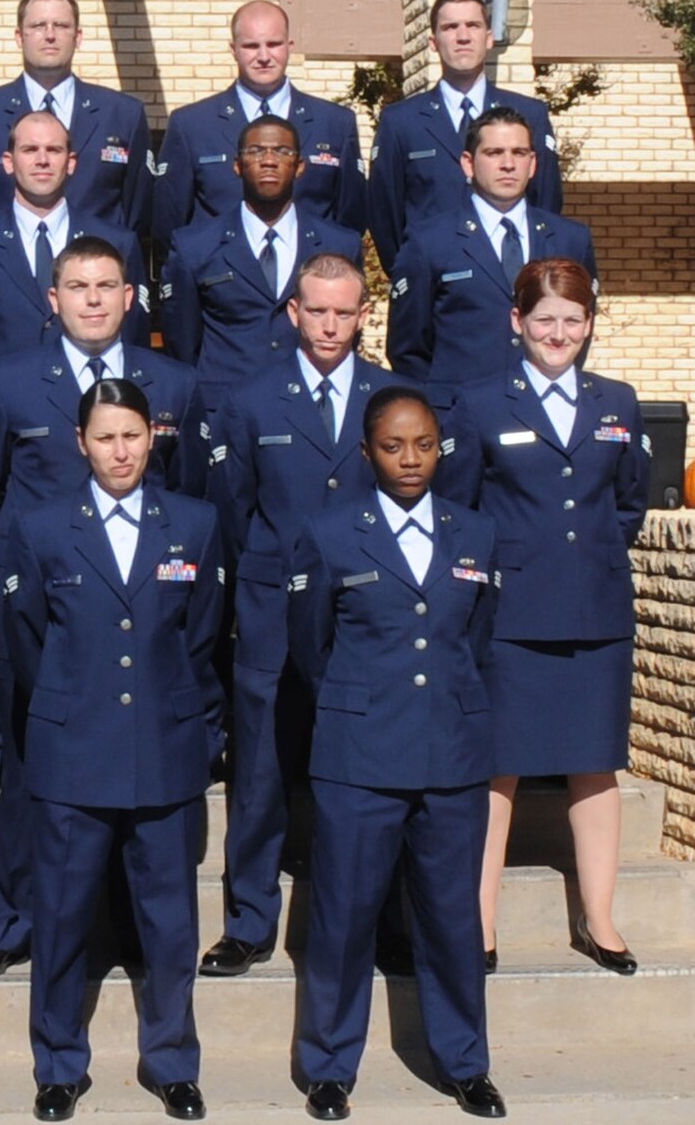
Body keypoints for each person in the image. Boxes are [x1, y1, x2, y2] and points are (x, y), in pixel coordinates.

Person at [0, 236, 200, 981]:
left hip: (143, 605)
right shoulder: (6, 379)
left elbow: (188, 496)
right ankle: (9, 920)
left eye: (107, 286)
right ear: (52, 298)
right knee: (33, 764)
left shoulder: (174, 383)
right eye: (77, 286)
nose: (93, 299)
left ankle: (130, 924)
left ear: (132, 298)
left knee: (145, 774)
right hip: (45, 610)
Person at [0, 378, 224, 1123]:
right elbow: (27, 639)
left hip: (163, 745)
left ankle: (172, 1062)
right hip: (71, 749)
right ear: (80, 442)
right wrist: (66, 704)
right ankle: (58, 1062)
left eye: (132, 435)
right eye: (105, 437)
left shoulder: (193, 522)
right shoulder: (40, 525)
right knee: (61, 916)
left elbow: (201, 636)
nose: (120, 450)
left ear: (152, 437)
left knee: (169, 919)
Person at [288, 386, 506, 1122]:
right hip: (360, 754)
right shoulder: (327, 533)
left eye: (424, 445)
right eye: (393, 445)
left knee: (452, 919)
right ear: (366, 452)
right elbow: (310, 647)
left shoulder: (476, 534)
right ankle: (328, 1066)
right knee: (343, 918)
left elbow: (476, 639)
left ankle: (465, 1063)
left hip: (450, 752)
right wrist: (364, 703)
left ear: (441, 449)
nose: (410, 459)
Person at [198, 253, 418, 978]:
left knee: (368, 782)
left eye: (343, 312)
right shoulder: (252, 399)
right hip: (267, 615)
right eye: (315, 310)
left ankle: (381, 921)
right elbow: (233, 510)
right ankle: (249, 922)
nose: (329, 324)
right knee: (260, 775)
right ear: (293, 313)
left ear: (364, 316)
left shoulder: (392, 398)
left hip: (363, 622)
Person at [446, 258, 647, 977]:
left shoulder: (618, 401)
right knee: (496, 770)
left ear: (589, 324)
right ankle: (481, 923)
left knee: (596, 767)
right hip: (512, 614)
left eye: (572, 320)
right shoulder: (478, 404)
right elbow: (462, 511)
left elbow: (628, 504)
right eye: (544, 321)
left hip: (595, 610)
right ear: (516, 323)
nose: (557, 334)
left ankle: (600, 921)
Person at [0, 109, 148, 398]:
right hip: (4, 416)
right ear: (8, 162)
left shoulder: (117, 243)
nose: (42, 160)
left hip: (96, 414)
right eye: (29, 150)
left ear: (71, 162)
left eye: (53, 150)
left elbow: (134, 339)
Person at [388, 107, 596, 391]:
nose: (508, 164)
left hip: (542, 411)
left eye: (519, 153)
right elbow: (408, 348)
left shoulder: (570, 239)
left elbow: (580, 329)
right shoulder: (429, 241)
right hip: (459, 418)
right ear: (468, 163)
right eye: (494, 153)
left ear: (533, 163)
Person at [160, 116, 364, 393]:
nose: (269, 160)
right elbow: (182, 343)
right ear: (237, 166)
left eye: (282, 151)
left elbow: (347, 333)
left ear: (300, 166)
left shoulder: (340, 245)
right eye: (255, 151)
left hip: (311, 407)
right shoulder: (194, 245)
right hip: (222, 410)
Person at [367, 0, 561, 273]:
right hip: (432, 284)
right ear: (433, 42)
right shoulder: (401, 121)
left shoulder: (529, 114)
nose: (462, 36)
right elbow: (385, 214)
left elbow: (546, 201)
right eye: (450, 27)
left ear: (489, 38)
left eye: (473, 25)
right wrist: (412, 273)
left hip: (512, 278)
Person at [0, 0, 151, 234]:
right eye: (38, 26)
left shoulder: (123, 114)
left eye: (61, 26)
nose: (50, 35)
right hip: (4, 265)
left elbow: (140, 210)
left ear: (78, 37)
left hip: (94, 265)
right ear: (19, 37)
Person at [154, 1, 363, 240]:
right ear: (233, 50)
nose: (264, 56)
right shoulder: (191, 125)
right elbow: (169, 222)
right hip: (219, 272)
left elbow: (350, 221)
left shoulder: (335, 123)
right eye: (251, 46)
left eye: (273, 44)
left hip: (310, 270)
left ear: (289, 46)